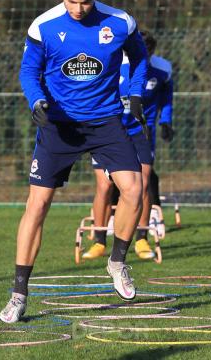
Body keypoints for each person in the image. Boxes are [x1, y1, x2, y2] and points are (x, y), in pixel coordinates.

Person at [0, 0, 149, 323]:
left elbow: (139, 57)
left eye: (86, 2)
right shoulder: (44, 27)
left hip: (106, 121)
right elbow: (28, 70)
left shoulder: (120, 22)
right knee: (38, 204)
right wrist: (36, 100)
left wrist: (135, 93)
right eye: (72, 1)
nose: (79, 9)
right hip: (60, 126)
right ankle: (19, 293)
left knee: (134, 189)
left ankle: (117, 263)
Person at [83, 31, 174, 260]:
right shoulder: (111, 64)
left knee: (142, 183)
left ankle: (141, 239)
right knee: (104, 186)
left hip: (141, 133)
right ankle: (99, 240)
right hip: (110, 132)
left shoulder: (161, 69)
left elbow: (167, 97)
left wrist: (166, 121)